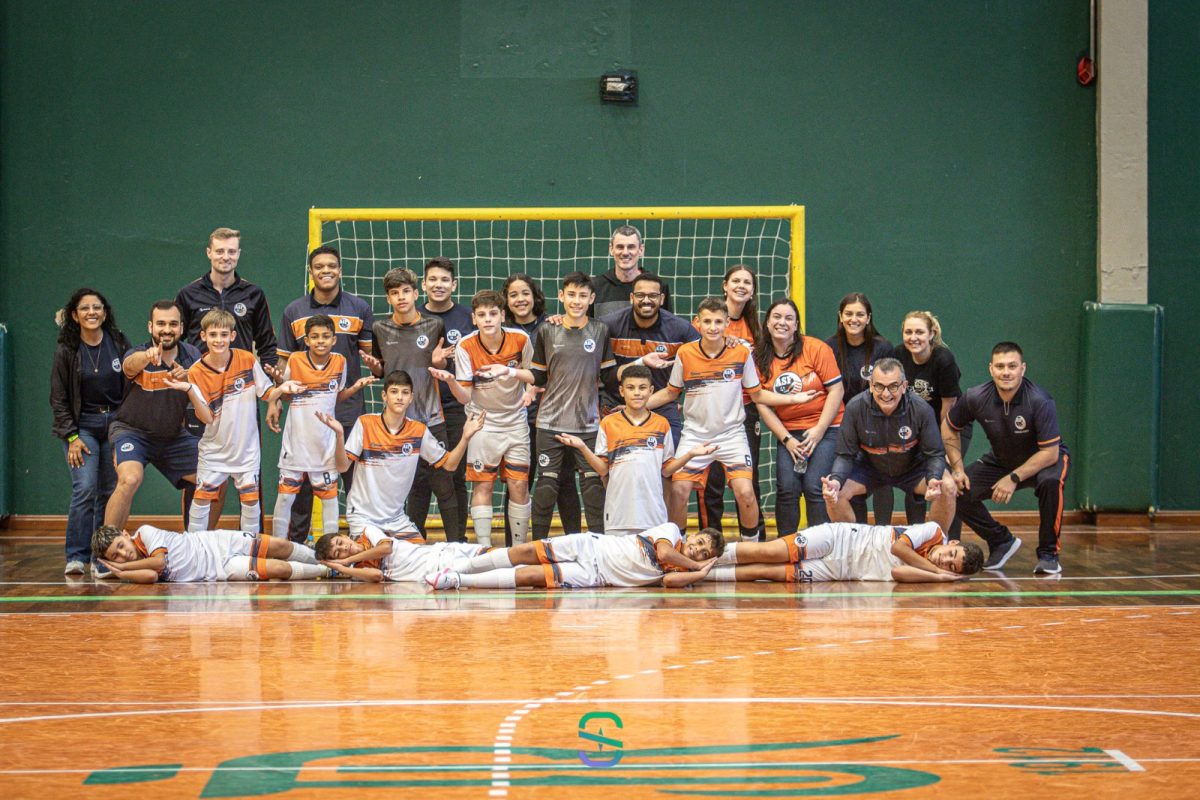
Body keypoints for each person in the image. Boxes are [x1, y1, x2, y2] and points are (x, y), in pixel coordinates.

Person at [648, 297, 816, 541]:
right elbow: (671, 392)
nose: (713, 327)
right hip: (695, 434)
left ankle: (752, 548)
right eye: (707, 321)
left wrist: (794, 399)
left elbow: (757, 394)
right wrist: (637, 405)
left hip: (732, 434)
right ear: (697, 323)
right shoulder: (685, 353)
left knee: (745, 492)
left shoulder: (741, 353)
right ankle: (677, 546)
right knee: (679, 490)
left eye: (718, 321)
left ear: (727, 323)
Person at [175, 227, 279, 529]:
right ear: (209, 252)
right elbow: (176, 339)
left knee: (249, 475)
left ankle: (250, 544)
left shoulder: (253, 294)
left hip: (241, 391)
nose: (225, 257)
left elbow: (267, 344)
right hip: (202, 390)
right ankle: (193, 543)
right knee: (202, 474)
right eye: (220, 251)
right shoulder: (188, 294)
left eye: (231, 251)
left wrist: (272, 387)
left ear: (238, 255)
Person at [272, 245, 375, 541]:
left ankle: (356, 542)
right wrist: (276, 397)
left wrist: (378, 368)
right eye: (319, 266)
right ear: (311, 271)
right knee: (302, 484)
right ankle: (296, 545)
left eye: (332, 265)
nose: (326, 270)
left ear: (340, 270)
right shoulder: (294, 310)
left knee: (352, 478)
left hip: (346, 407)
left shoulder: (359, 308)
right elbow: (284, 359)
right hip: (306, 414)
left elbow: (369, 358)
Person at [943, 342, 1071, 575]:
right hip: (1002, 459)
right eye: (1000, 366)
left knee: (1050, 483)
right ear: (991, 369)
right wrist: (958, 468)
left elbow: (1050, 453)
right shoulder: (976, 396)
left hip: (1046, 460)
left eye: (1012, 366)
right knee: (954, 489)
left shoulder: (1040, 400)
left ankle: (1048, 555)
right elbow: (949, 427)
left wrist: (1012, 478)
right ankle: (1001, 541)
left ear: (1023, 369)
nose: (1006, 372)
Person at [320, 370, 484, 543]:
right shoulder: (365, 423)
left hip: (396, 520)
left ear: (411, 397)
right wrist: (339, 435)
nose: (400, 397)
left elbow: (450, 465)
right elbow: (342, 467)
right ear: (384, 396)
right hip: (363, 517)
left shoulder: (418, 431)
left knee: (420, 558)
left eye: (405, 393)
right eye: (394, 392)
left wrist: (466, 437)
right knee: (376, 558)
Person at [556, 364, 717, 535]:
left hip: (653, 514)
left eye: (642, 388)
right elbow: (603, 469)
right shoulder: (608, 423)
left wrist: (690, 454)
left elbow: (666, 470)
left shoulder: (662, 424)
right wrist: (582, 446)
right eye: (631, 388)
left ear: (651, 390)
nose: (637, 393)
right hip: (618, 514)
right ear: (622, 391)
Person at [429, 290, 535, 547]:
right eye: (482, 315)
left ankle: (519, 549)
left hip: (515, 420)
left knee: (518, 486)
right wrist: (452, 381)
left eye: (493, 313)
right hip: (482, 422)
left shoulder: (521, 339)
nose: (488, 319)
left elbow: (534, 375)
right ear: (474, 319)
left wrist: (521, 381)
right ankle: (484, 549)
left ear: (502, 316)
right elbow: (465, 397)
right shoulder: (465, 345)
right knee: (483, 487)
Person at [185, 310, 303, 533]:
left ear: (232, 335)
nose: (218, 340)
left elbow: (266, 392)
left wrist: (282, 388)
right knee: (201, 500)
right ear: (203, 337)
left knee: (250, 502)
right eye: (213, 335)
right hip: (213, 449)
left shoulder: (246, 359)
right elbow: (206, 417)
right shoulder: (195, 372)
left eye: (223, 334)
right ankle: (194, 550)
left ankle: (250, 550)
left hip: (246, 450)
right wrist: (189, 390)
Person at [370, 267, 463, 541]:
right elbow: (382, 372)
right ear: (388, 298)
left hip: (433, 418)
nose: (401, 297)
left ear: (415, 292)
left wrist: (439, 362)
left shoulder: (434, 325)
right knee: (413, 487)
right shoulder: (379, 328)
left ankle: (457, 545)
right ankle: (415, 544)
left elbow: (444, 364)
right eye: (394, 293)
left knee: (445, 484)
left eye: (406, 291)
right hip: (398, 424)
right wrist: (376, 370)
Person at [820, 358, 958, 534]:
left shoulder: (921, 409)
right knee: (834, 493)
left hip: (912, 469)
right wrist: (837, 480)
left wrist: (932, 478)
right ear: (870, 385)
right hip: (869, 469)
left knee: (947, 486)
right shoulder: (855, 408)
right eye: (879, 386)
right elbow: (845, 455)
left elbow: (935, 454)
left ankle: (935, 545)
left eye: (893, 386)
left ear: (904, 385)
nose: (886, 394)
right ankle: (851, 548)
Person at [528, 272, 617, 540]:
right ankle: (538, 547)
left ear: (591, 299)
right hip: (549, 423)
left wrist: (640, 365)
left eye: (582, 296)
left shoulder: (600, 330)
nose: (576, 301)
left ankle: (599, 547)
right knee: (545, 487)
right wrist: (510, 374)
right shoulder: (547, 329)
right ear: (561, 296)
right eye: (571, 295)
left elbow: (610, 377)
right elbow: (539, 376)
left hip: (587, 423)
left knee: (592, 488)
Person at [103, 301, 205, 532]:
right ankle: (105, 551)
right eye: (160, 324)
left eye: (172, 324)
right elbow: (129, 366)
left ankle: (199, 546)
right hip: (132, 432)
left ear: (181, 328)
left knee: (213, 482)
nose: (166, 329)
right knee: (129, 480)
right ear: (151, 327)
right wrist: (146, 358)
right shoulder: (138, 353)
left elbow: (205, 387)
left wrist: (189, 377)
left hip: (172, 436)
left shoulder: (193, 355)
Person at [50, 288, 131, 575]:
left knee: (109, 492)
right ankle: (76, 555)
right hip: (82, 428)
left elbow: (132, 383)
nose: (92, 312)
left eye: (97, 307)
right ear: (75, 315)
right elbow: (58, 398)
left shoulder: (118, 342)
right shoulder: (67, 350)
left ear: (104, 312)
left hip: (115, 426)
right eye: (85, 308)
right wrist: (71, 436)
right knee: (85, 488)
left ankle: (102, 558)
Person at [753, 298, 844, 532]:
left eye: (788, 318)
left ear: (796, 326)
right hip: (789, 431)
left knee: (815, 486)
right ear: (767, 322)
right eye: (776, 317)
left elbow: (836, 390)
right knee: (787, 489)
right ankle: (787, 548)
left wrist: (819, 431)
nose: (782, 322)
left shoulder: (816, 348)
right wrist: (787, 439)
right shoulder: (757, 358)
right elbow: (760, 402)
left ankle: (819, 549)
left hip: (827, 428)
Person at [503, 273, 581, 540]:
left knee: (564, 480)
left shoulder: (554, 325)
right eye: (513, 294)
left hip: (553, 417)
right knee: (518, 482)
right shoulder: (499, 331)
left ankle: (575, 540)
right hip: (513, 420)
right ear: (506, 301)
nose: (520, 299)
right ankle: (518, 545)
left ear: (535, 296)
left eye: (525, 293)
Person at [423, 522, 721, 590]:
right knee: (525, 551)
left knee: (531, 576)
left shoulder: (683, 571)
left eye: (705, 552)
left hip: (596, 576)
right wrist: (695, 563)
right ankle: (461, 565)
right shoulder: (671, 531)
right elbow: (664, 552)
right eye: (700, 542)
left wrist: (701, 572)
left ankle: (457, 580)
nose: (699, 549)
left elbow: (668, 582)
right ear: (692, 535)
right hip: (591, 546)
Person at [601, 271, 699, 451]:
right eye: (640, 295)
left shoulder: (680, 329)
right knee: (609, 462)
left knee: (671, 461)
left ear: (662, 299)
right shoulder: (609, 325)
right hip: (616, 403)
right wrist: (562, 320)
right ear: (631, 297)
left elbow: (707, 351)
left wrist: (728, 340)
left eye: (653, 295)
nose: (646, 300)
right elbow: (605, 374)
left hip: (661, 404)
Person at [703, 520, 983, 583]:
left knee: (767, 573)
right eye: (950, 555)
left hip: (842, 571)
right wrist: (935, 570)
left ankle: (702, 575)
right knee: (769, 552)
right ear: (953, 543)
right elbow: (899, 547)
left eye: (951, 567)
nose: (943, 560)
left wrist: (938, 578)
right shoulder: (933, 530)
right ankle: (700, 556)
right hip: (840, 538)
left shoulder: (931, 575)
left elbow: (898, 571)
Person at [701, 265, 764, 537]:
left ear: (752, 290)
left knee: (748, 483)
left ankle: (752, 542)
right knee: (712, 482)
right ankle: (710, 541)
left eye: (747, 282)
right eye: (735, 281)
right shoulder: (709, 321)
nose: (741, 286)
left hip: (746, 411)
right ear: (724, 285)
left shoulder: (757, 327)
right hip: (712, 413)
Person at [894, 310, 970, 533]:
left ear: (931, 334)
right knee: (915, 482)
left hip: (952, 425)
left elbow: (948, 409)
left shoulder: (943, 360)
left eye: (919, 332)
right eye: (908, 332)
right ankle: (917, 541)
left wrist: (940, 449)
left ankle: (950, 540)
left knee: (946, 479)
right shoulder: (899, 355)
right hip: (917, 427)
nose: (913, 337)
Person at [826, 292, 894, 524]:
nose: (854, 319)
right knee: (851, 481)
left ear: (868, 318)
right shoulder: (830, 347)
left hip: (880, 422)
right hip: (845, 426)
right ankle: (861, 535)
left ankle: (884, 534)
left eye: (860, 314)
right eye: (849, 314)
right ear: (840, 316)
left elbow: (892, 388)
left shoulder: (882, 347)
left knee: (884, 479)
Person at [420, 257, 475, 538]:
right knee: (418, 478)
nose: (438, 285)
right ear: (423, 284)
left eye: (444, 280)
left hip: (455, 409)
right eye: (433, 279)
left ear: (454, 285)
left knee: (455, 476)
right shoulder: (414, 317)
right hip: (418, 409)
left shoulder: (468, 318)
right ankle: (415, 537)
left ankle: (458, 540)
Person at [91, 524, 327, 584]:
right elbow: (152, 577)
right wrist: (122, 574)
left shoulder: (144, 532)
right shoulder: (134, 569)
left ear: (125, 533)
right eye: (116, 556)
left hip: (218, 541)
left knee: (281, 546)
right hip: (219, 570)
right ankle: (330, 570)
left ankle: (324, 557)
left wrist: (122, 569)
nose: (124, 555)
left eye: (121, 545)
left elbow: (159, 562)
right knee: (280, 569)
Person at [314, 528, 489, 583]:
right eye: (338, 552)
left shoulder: (368, 532)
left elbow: (386, 548)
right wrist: (342, 567)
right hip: (438, 575)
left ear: (344, 536)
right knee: (508, 575)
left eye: (340, 542)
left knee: (500, 556)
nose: (344, 548)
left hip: (442, 554)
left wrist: (348, 560)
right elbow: (377, 575)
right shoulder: (359, 571)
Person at [591, 225, 672, 318]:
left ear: (641, 250)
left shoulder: (658, 286)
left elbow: (668, 327)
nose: (625, 252)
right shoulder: (595, 286)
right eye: (620, 247)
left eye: (631, 247)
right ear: (611, 249)